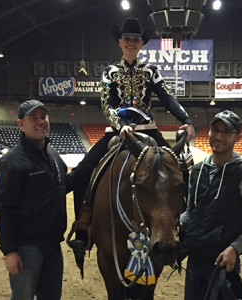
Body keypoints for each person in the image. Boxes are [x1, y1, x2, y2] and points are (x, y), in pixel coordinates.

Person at [69, 17, 195, 250]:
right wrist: (120, 124)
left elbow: (167, 98)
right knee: (82, 173)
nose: (131, 42)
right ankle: (83, 226)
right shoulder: (110, 72)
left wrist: (186, 120)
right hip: (117, 131)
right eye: (127, 39)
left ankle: (183, 227)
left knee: (182, 172)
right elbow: (107, 104)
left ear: (141, 43)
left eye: (135, 39)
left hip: (148, 129)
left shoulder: (151, 71)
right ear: (120, 41)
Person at [0, 100, 87, 300]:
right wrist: (9, 251)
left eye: (43, 116)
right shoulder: (12, 162)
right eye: (33, 118)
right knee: (23, 297)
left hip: (53, 245)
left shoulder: (52, 154)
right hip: (26, 248)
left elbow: (63, 185)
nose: (40, 121)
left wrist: (88, 165)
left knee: (51, 297)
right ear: (21, 124)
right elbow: (3, 209)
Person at [179, 110, 242, 300]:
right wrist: (176, 225)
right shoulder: (196, 171)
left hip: (222, 264)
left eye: (226, 132)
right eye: (215, 130)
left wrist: (235, 248)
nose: (219, 136)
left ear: (237, 137)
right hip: (194, 260)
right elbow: (190, 212)